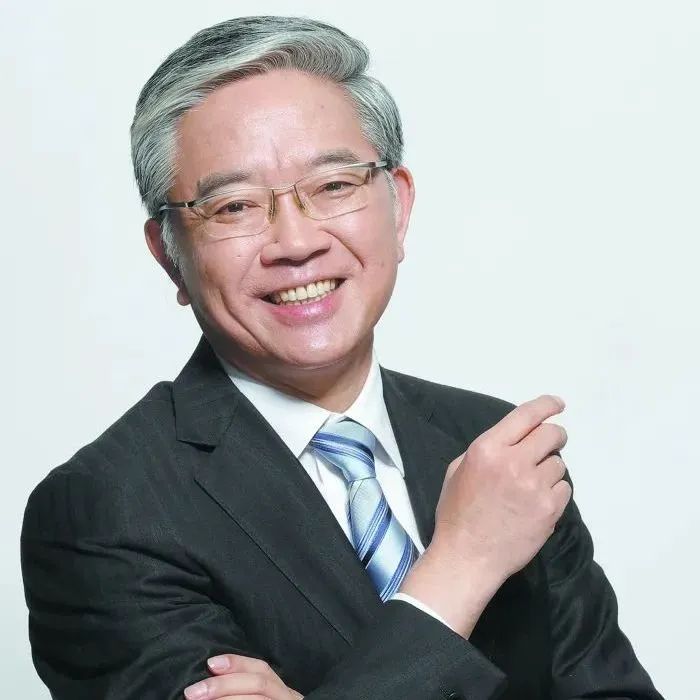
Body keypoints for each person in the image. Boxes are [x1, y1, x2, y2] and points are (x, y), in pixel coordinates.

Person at [20, 15, 663, 700]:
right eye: (233, 206)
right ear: (168, 255)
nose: (296, 242)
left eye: (333, 186)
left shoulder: (493, 447)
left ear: (399, 206)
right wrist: (461, 564)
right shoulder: (105, 511)